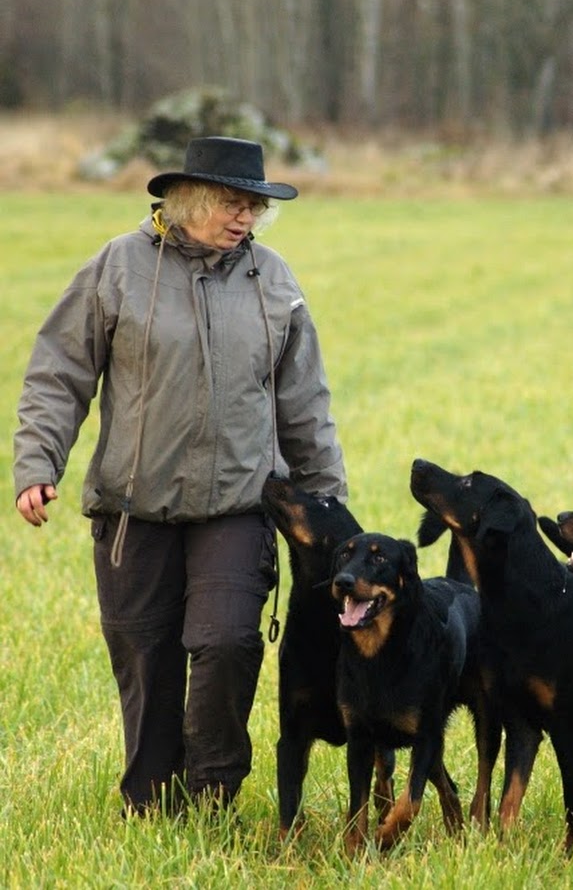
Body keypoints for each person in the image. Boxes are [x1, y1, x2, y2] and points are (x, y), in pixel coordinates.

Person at [13, 136, 348, 816]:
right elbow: (59, 372)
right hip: (134, 507)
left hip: (240, 504)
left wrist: (330, 507)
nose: (247, 218)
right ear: (189, 200)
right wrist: (38, 462)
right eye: (233, 203)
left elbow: (305, 404)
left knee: (228, 640)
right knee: (146, 656)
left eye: (255, 207)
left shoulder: (274, 280)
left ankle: (214, 790)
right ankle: (152, 799)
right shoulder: (118, 267)